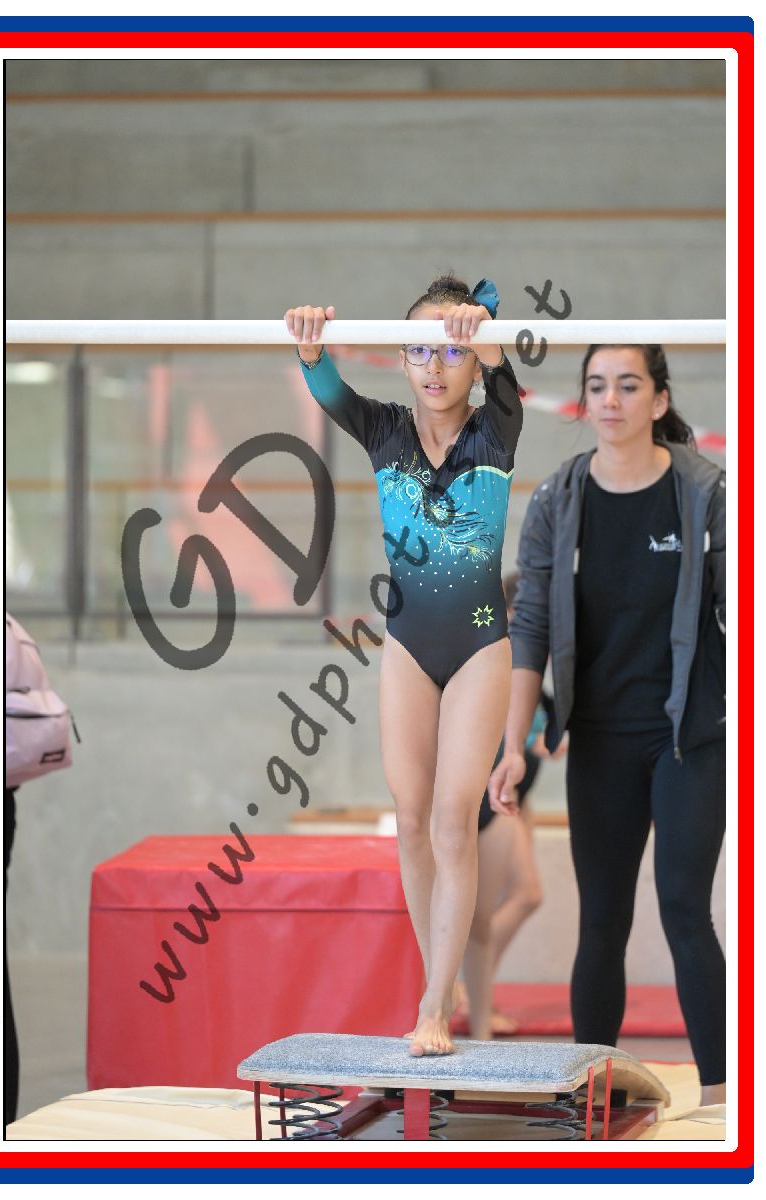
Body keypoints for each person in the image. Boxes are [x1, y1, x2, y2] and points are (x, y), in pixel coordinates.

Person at [286, 274, 523, 1055]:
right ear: (401, 358)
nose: (435, 366)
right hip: (408, 648)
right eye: (420, 350)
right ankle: (440, 976)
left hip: (481, 647)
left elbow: (506, 381)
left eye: (451, 352)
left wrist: (485, 335)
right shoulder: (384, 430)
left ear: (473, 360)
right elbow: (329, 390)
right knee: (413, 816)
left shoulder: (496, 430)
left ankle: (433, 1006)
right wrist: (311, 347)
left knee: (454, 819)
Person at [489, 344, 726, 1105]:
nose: (611, 401)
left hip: (687, 736)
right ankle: (595, 1094)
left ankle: (723, 1098)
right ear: (584, 402)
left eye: (628, 386)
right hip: (598, 738)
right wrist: (513, 747)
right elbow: (528, 625)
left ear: (659, 401)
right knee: (602, 921)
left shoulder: (705, 493)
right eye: (597, 387)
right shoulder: (559, 499)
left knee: (684, 908)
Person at [454, 572, 565, 1042]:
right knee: (498, 907)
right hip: (496, 796)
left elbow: (549, 735)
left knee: (522, 896)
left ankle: (474, 989)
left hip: (519, 795)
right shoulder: (492, 664)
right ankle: (463, 987)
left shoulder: (532, 679)